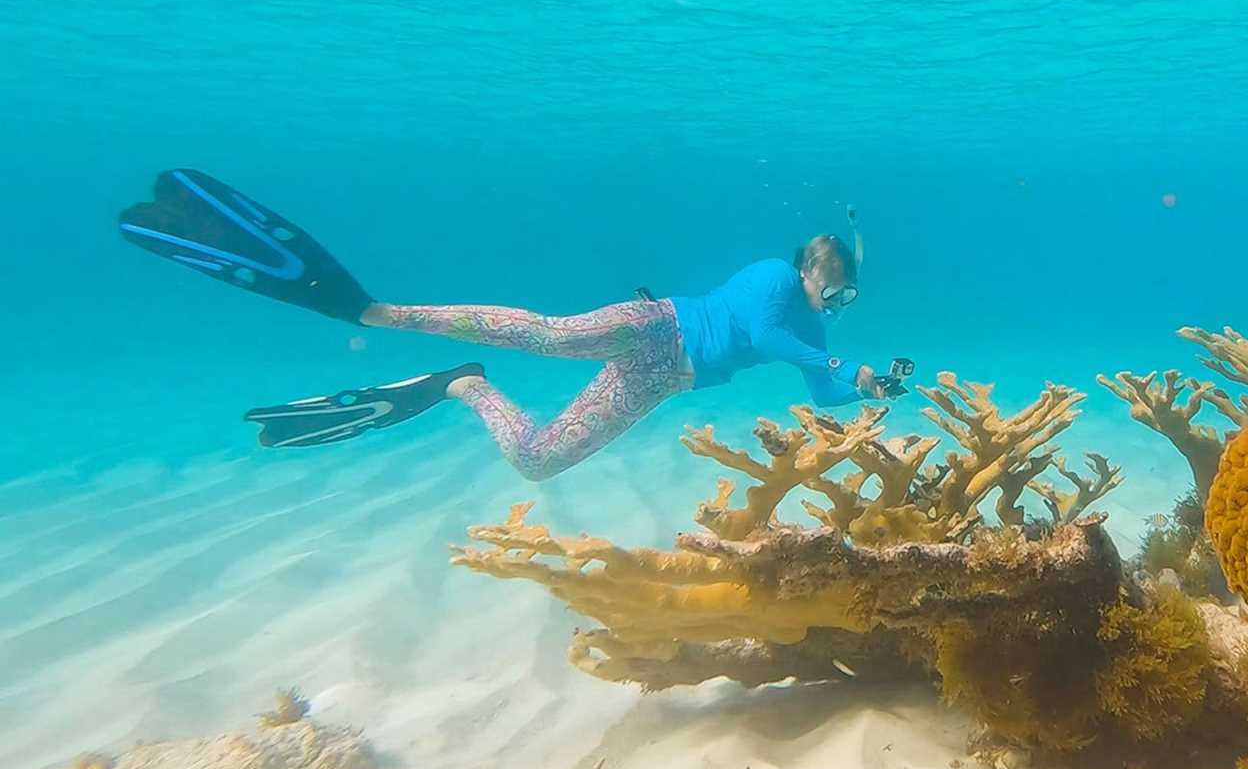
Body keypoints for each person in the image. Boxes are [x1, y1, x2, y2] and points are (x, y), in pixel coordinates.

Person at [118, 168, 908, 480]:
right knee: (553, 335)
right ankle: (376, 311)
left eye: (841, 301)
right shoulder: (776, 283)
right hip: (656, 326)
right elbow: (770, 341)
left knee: (537, 460)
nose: (834, 304)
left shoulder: (820, 337)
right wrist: (845, 365)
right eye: (834, 289)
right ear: (812, 268)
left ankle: (462, 386)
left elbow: (824, 391)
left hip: (664, 377)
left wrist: (874, 393)